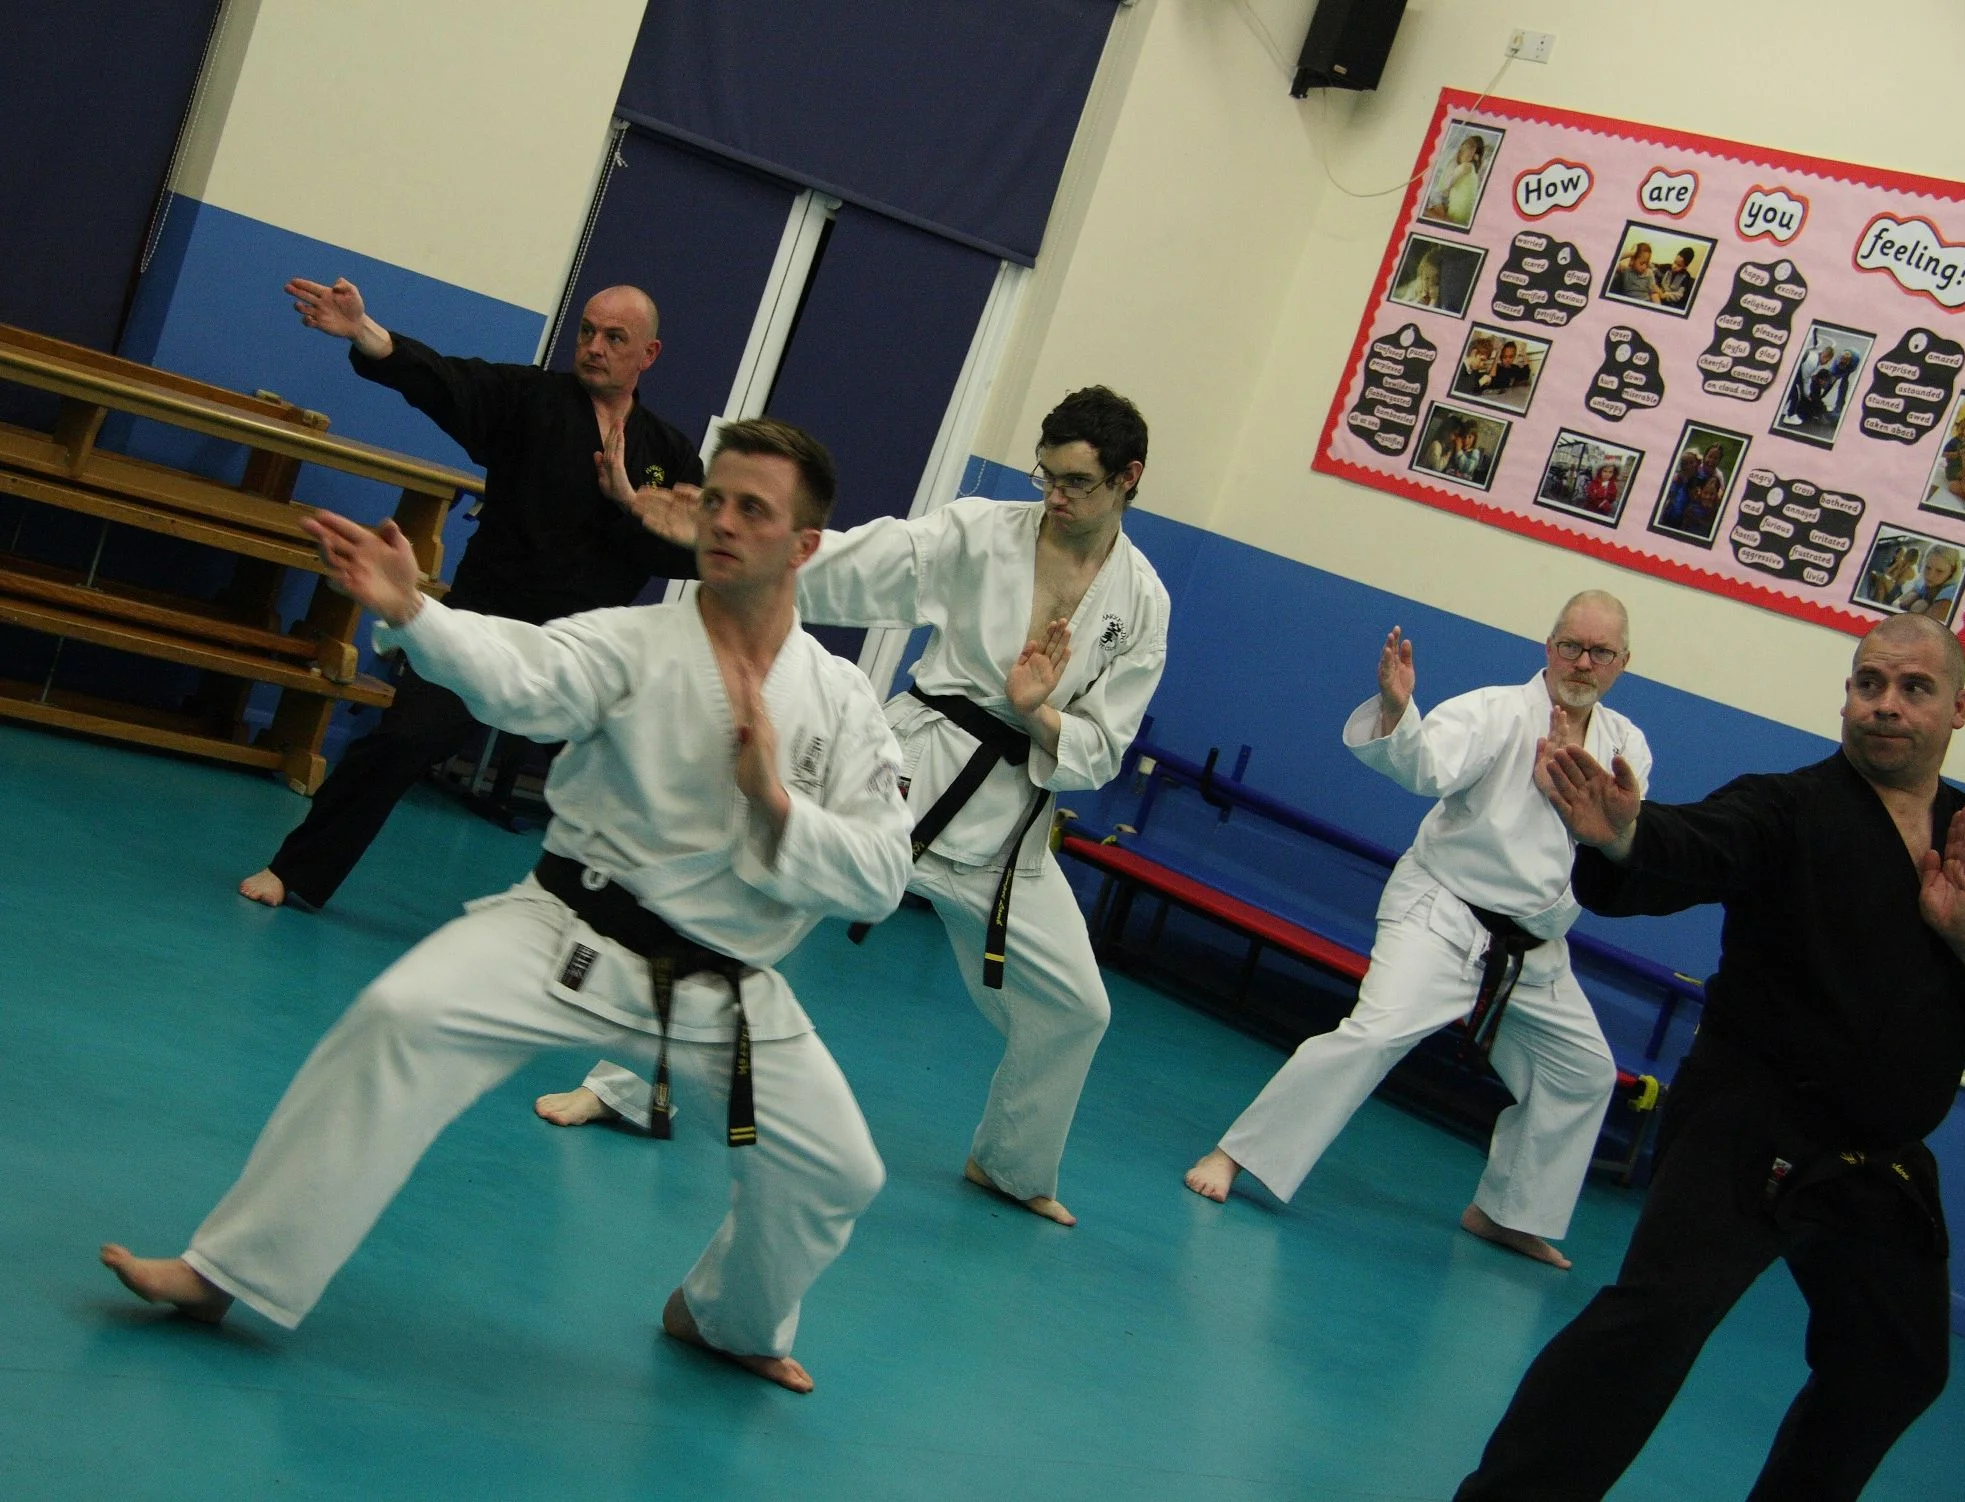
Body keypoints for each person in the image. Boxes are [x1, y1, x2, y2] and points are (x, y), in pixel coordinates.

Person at [104, 419, 913, 1394]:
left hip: (728, 990)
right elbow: (523, 671)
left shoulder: (843, 700)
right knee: (401, 1018)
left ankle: (722, 1316)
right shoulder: (636, 642)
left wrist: (775, 801)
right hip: (571, 933)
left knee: (832, 1169)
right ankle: (225, 1271)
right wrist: (416, 614)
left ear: (805, 546)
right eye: (713, 500)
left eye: (754, 509)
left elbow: (879, 873)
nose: (723, 522)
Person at [533, 388, 1170, 1229]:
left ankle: (1010, 1164)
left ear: (1128, 480)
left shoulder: (1144, 603)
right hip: (909, 768)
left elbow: (1103, 744)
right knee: (743, 897)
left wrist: (1036, 711)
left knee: (1078, 1007)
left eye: (1077, 483)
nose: (1054, 495)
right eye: (1046, 474)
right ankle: (625, 1086)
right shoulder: (982, 533)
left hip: (1010, 819)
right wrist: (742, 539)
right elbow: (861, 559)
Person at [1457, 612, 1965, 1500]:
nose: (1886, 706)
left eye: (1914, 689)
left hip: (1881, 1159)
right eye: (1869, 684)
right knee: (1653, 1323)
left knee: (1895, 1364)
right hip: (1753, 1126)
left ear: (1959, 707)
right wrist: (1626, 835)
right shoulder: (1792, 808)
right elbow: (1702, 841)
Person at [1184, 593, 1651, 1268]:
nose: (1582, 662)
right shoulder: (1496, 712)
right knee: (1375, 1030)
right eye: (1570, 645)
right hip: (1445, 913)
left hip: (1533, 947)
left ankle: (1508, 1213)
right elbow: (1425, 763)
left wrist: (1619, 826)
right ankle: (1235, 1153)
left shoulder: (1626, 746)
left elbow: (1622, 842)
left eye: (1600, 652)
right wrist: (1401, 710)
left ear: (1622, 664)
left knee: (1582, 1072)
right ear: (1547, 647)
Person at [239, 276, 705, 911]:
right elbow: (443, 380)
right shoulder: (528, 400)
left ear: (647, 354)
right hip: (483, 626)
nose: (594, 346)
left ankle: (627, 928)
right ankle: (296, 872)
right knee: (400, 741)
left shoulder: (670, 455)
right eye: (588, 331)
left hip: (587, 652)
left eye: (614, 337)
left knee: (636, 783)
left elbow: (689, 555)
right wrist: (365, 332)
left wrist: (628, 503)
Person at [1895, 543, 1963, 623]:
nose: (1930, 576)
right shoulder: (1922, 582)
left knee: (1920, 604)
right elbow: (1897, 603)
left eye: (1939, 571)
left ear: (1952, 571)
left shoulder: (1951, 594)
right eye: (1928, 568)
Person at [1431, 135, 1487, 226]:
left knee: (1432, 203)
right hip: (1463, 214)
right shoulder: (1472, 170)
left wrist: (1446, 190)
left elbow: (1446, 186)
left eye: (1471, 155)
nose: (1470, 157)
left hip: (1457, 214)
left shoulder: (1465, 166)